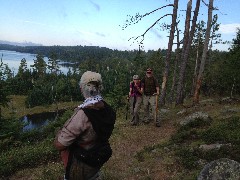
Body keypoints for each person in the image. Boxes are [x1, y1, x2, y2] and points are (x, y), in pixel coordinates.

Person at [54, 71, 116, 180]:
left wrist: (57, 134)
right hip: (97, 157)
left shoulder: (82, 115)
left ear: (81, 89)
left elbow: (60, 145)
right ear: (99, 88)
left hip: (81, 163)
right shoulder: (107, 109)